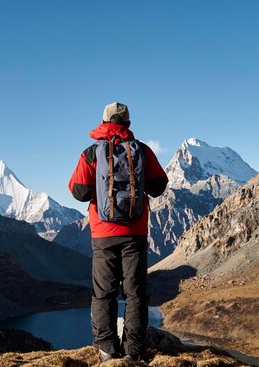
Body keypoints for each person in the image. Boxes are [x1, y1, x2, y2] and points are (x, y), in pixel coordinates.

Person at [68, 102, 168, 363]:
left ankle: (107, 349)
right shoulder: (142, 151)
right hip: (135, 232)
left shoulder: (91, 153)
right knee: (135, 293)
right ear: (128, 124)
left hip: (102, 233)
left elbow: (77, 191)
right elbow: (159, 186)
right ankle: (133, 350)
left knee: (104, 293)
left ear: (102, 122)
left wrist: (101, 193)